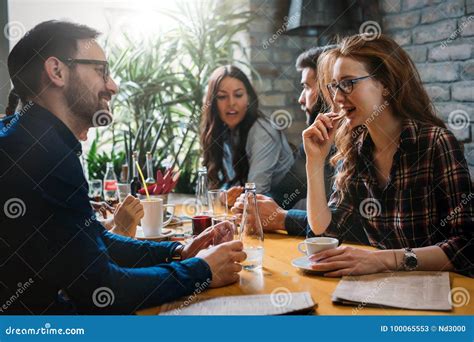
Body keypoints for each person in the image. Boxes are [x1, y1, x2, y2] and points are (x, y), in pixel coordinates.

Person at [0, 20, 245, 314]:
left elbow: (93, 240)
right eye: (101, 71)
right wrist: (202, 271)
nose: (113, 85)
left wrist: (179, 251)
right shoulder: (43, 154)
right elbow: (103, 290)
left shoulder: (30, 139)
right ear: (56, 71)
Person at [303, 34, 473, 277]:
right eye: (334, 86)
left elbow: (466, 246)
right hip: (383, 288)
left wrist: (384, 259)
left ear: (386, 85)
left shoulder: (435, 143)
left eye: (348, 83)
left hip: (442, 292)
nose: (338, 98)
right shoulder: (356, 150)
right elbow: (325, 232)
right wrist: (315, 161)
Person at [200, 65, 294, 206]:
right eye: (222, 96)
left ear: (248, 98)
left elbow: (255, 192)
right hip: (255, 215)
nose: (231, 103)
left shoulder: (263, 132)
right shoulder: (225, 132)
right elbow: (230, 185)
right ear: (213, 103)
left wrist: (225, 197)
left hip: (286, 216)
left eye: (238, 95)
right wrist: (224, 195)